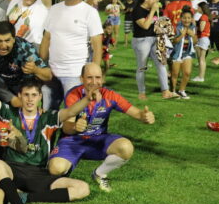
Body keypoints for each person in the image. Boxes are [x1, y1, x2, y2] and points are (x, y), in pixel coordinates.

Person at [0, 77, 93, 204]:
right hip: (13, 169)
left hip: (39, 172)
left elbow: (71, 111)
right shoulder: (9, 113)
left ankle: (25, 197)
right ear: (20, 96)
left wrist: (87, 99)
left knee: (82, 188)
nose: (30, 99)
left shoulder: (49, 117)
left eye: (34, 95)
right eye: (26, 95)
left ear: (40, 97)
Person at [47, 63, 156, 192]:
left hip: (98, 140)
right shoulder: (74, 94)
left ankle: (99, 174)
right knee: (55, 169)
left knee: (126, 147)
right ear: (81, 79)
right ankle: (66, 171)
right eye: (89, 77)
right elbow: (66, 128)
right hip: (72, 141)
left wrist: (145, 117)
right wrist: (76, 127)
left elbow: (136, 113)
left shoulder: (110, 95)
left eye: (98, 77)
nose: (94, 82)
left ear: (102, 79)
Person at [40, 0, 103, 108]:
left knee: (73, 119)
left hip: (75, 75)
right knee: (48, 118)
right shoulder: (53, 10)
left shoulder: (89, 12)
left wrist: (94, 77)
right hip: (52, 74)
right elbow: (47, 38)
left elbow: (97, 46)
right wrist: (41, 64)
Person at [0, 21, 52, 108]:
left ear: (14, 39)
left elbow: (48, 75)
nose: (3, 46)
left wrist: (35, 70)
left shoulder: (24, 49)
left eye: (7, 41)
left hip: (21, 87)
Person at [129, 0, 178, 100]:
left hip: (155, 39)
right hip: (142, 41)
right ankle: (142, 93)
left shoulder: (156, 10)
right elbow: (145, 26)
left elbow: (156, 24)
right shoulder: (137, 10)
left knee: (161, 64)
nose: (156, 2)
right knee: (142, 67)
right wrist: (152, 11)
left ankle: (165, 91)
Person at [170, 8, 197, 98]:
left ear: (192, 19)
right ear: (181, 18)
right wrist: (182, 35)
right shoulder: (176, 27)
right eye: (184, 18)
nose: (187, 20)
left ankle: (182, 90)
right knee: (175, 74)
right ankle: (173, 91)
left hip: (187, 53)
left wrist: (192, 35)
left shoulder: (193, 28)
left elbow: (195, 41)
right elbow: (174, 41)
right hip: (176, 53)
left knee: (187, 73)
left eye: (189, 18)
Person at [191, 2, 211, 82]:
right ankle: (200, 76)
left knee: (201, 59)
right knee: (201, 59)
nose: (197, 9)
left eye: (198, 7)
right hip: (204, 38)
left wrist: (194, 24)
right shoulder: (206, 16)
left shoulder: (203, 17)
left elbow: (201, 29)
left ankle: (201, 77)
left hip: (202, 38)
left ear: (202, 8)